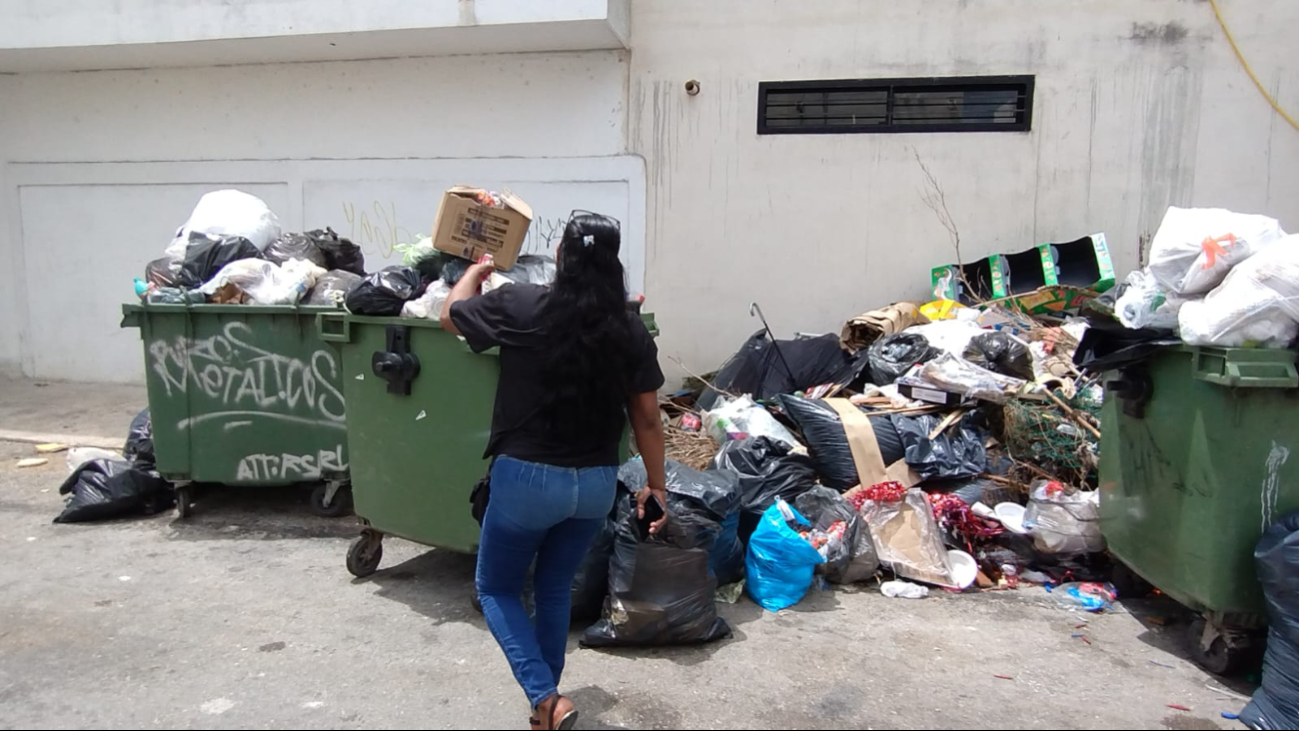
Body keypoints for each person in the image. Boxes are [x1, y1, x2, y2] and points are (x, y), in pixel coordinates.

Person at [441, 213, 667, 730]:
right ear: (614, 265)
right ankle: (545, 711)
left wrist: (476, 274)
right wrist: (655, 487)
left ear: (561, 257)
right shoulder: (628, 328)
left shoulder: (520, 304)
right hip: (592, 486)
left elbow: (450, 317)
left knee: (496, 587)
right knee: (553, 586)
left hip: (526, 480)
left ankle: (546, 698)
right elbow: (648, 418)